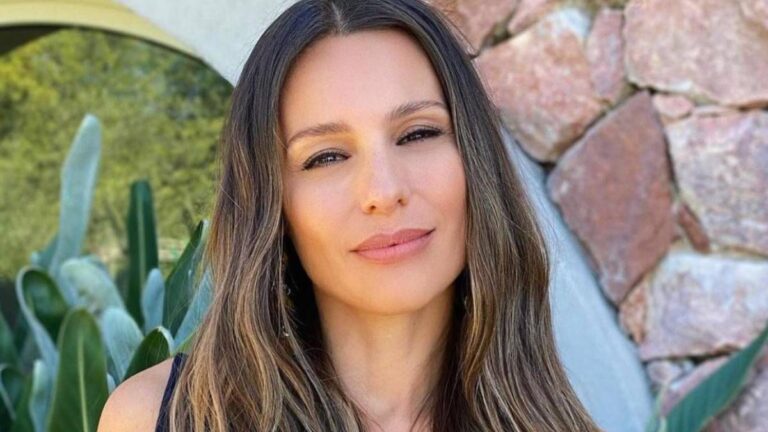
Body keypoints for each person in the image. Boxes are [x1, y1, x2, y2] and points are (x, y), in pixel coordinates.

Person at [97, 0, 602, 430]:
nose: (383, 191)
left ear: (477, 162)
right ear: (272, 206)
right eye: (326, 157)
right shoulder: (159, 418)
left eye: (418, 133)